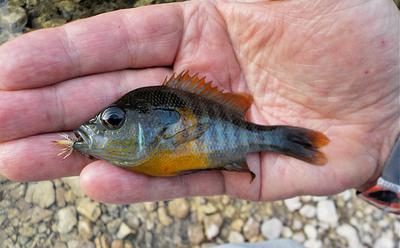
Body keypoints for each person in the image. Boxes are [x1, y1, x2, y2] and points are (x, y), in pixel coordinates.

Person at [0, 0, 398, 206]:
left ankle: (279, 139)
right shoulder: (136, 150)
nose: (95, 128)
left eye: (113, 119)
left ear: (142, 122)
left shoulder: (155, 133)